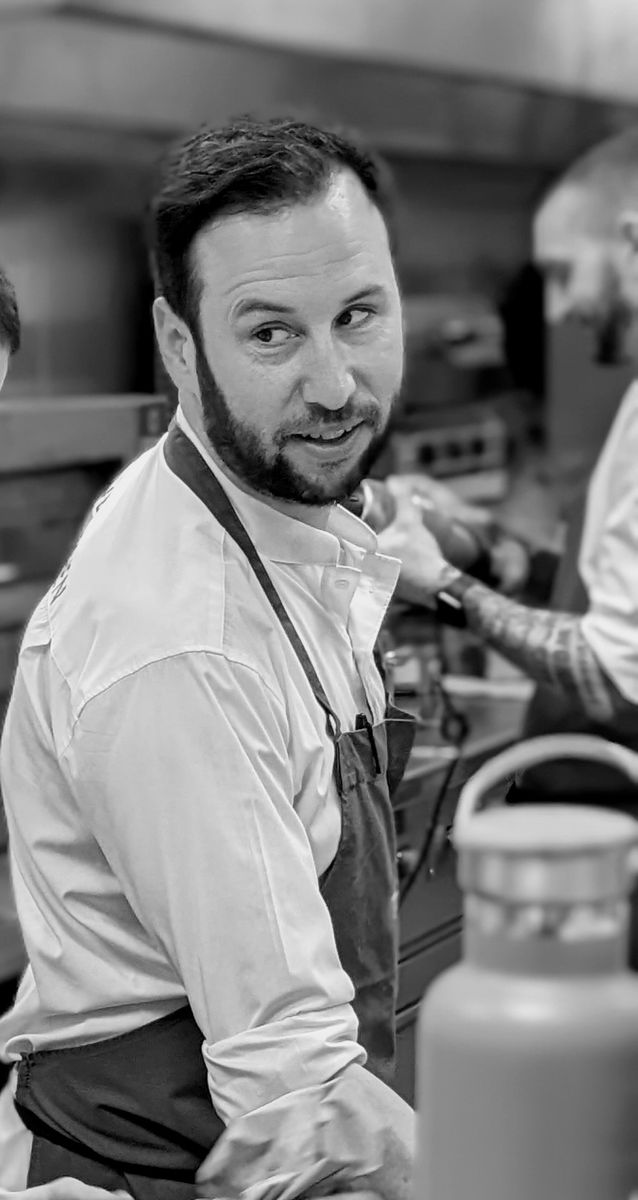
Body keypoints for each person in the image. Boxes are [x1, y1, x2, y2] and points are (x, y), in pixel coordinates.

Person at [0, 117, 417, 1197]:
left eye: (358, 315)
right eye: (271, 335)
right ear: (180, 345)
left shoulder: (271, 517)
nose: (335, 385)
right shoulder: (181, 644)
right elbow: (302, 1104)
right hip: (162, 1169)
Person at [377, 128, 638, 845]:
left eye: (563, 273)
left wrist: (447, 587)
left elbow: (611, 677)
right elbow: (611, 603)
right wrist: (499, 556)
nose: (558, 311)